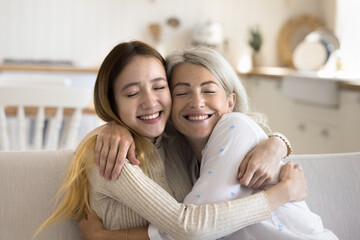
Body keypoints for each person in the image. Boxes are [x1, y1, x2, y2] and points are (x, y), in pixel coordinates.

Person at [35, 41, 306, 240]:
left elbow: (235, 130)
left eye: (159, 87)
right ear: (112, 103)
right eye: (131, 94)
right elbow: (188, 227)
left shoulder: (176, 143)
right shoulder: (113, 156)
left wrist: (278, 142)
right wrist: (282, 194)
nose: (150, 102)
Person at [143, 46, 338, 239]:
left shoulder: (233, 126)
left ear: (230, 102)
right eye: (182, 93)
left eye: (209, 91)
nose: (196, 102)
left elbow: (192, 229)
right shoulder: (188, 161)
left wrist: (115, 236)